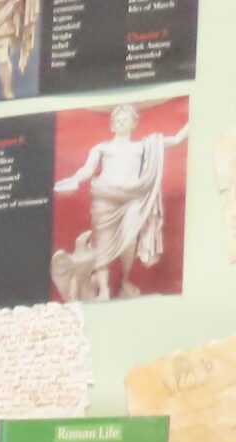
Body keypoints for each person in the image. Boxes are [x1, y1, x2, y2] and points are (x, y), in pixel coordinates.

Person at [50, 103, 187, 303]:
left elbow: (175, 139)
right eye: (118, 120)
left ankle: (124, 282)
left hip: (132, 198)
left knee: (129, 242)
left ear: (134, 124)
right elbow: (87, 170)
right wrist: (75, 180)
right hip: (105, 197)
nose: (122, 122)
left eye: (126, 119)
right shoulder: (102, 148)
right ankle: (104, 290)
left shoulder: (142, 146)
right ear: (112, 126)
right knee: (103, 243)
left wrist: (200, 117)